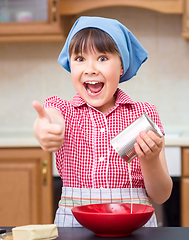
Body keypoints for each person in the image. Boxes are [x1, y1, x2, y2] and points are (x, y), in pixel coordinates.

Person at [32, 16, 173, 227]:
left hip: (134, 229)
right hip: (75, 228)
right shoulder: (64, 110)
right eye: (80, 59)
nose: (90, 68)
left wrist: (150, 160)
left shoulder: (143, 115)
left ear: (122, 67)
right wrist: (44, 128)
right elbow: (50, 119)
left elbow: (161, 195)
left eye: (102, 58)